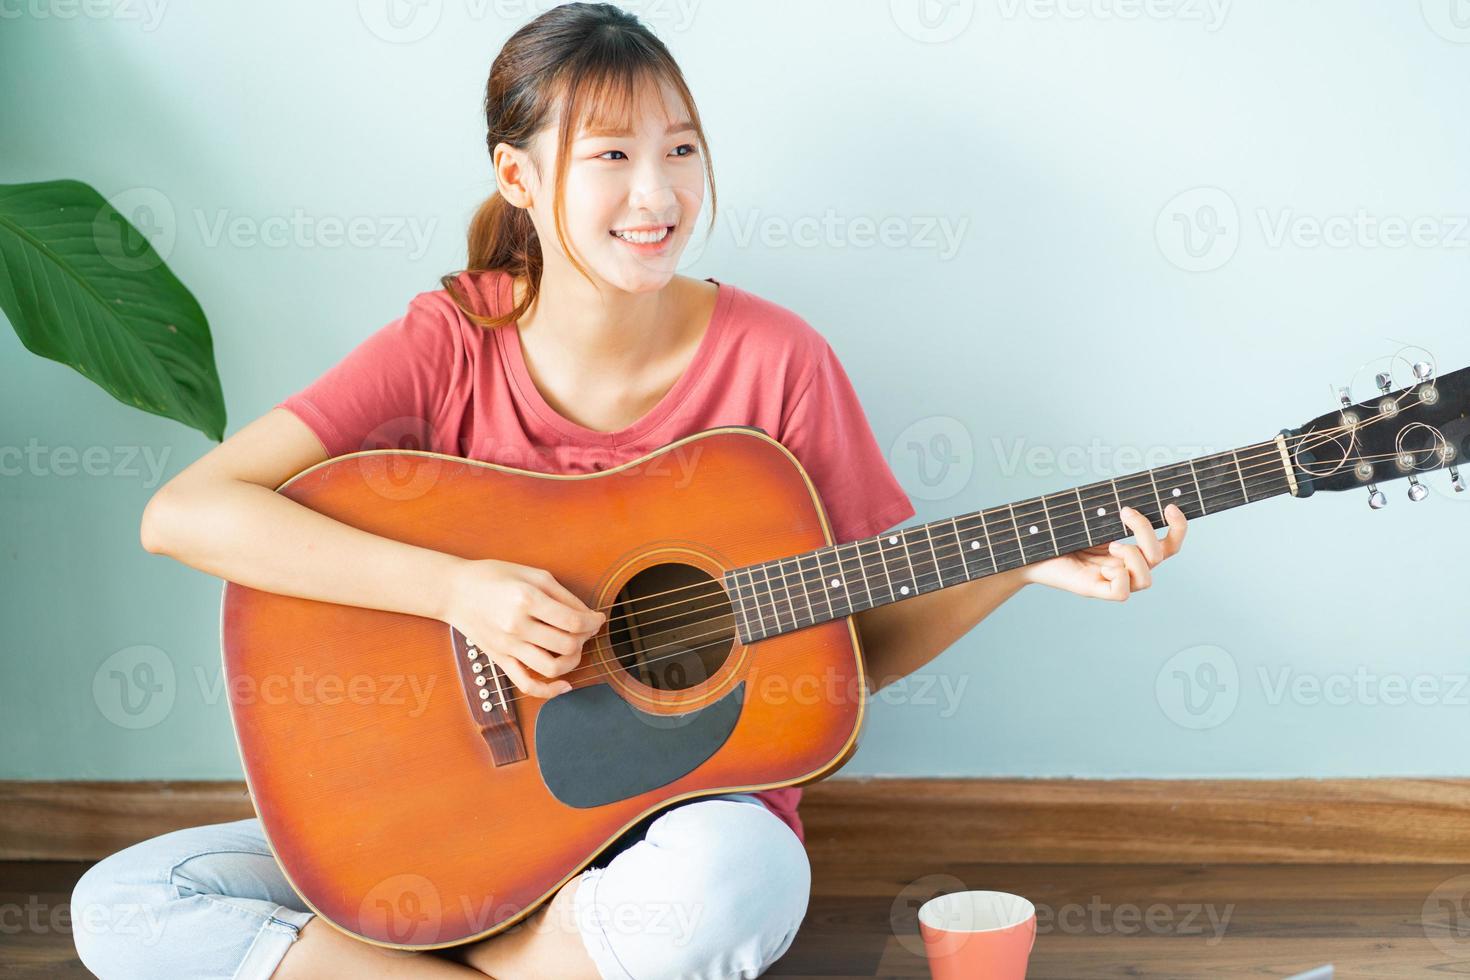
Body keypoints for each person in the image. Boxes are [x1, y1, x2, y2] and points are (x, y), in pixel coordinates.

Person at [69, 4, 1188, 978]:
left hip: (672, 844)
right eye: (610, 155)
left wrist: (1018, 563)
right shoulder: (452, 339)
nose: (657, 194)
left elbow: (850, 649)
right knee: (120, 905)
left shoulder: (776, 360)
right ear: (518, 175)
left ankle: (453, 956)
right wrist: (459, 587)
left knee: (745, 879)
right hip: (448, 827)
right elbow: (187, 512)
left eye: (682, 149)